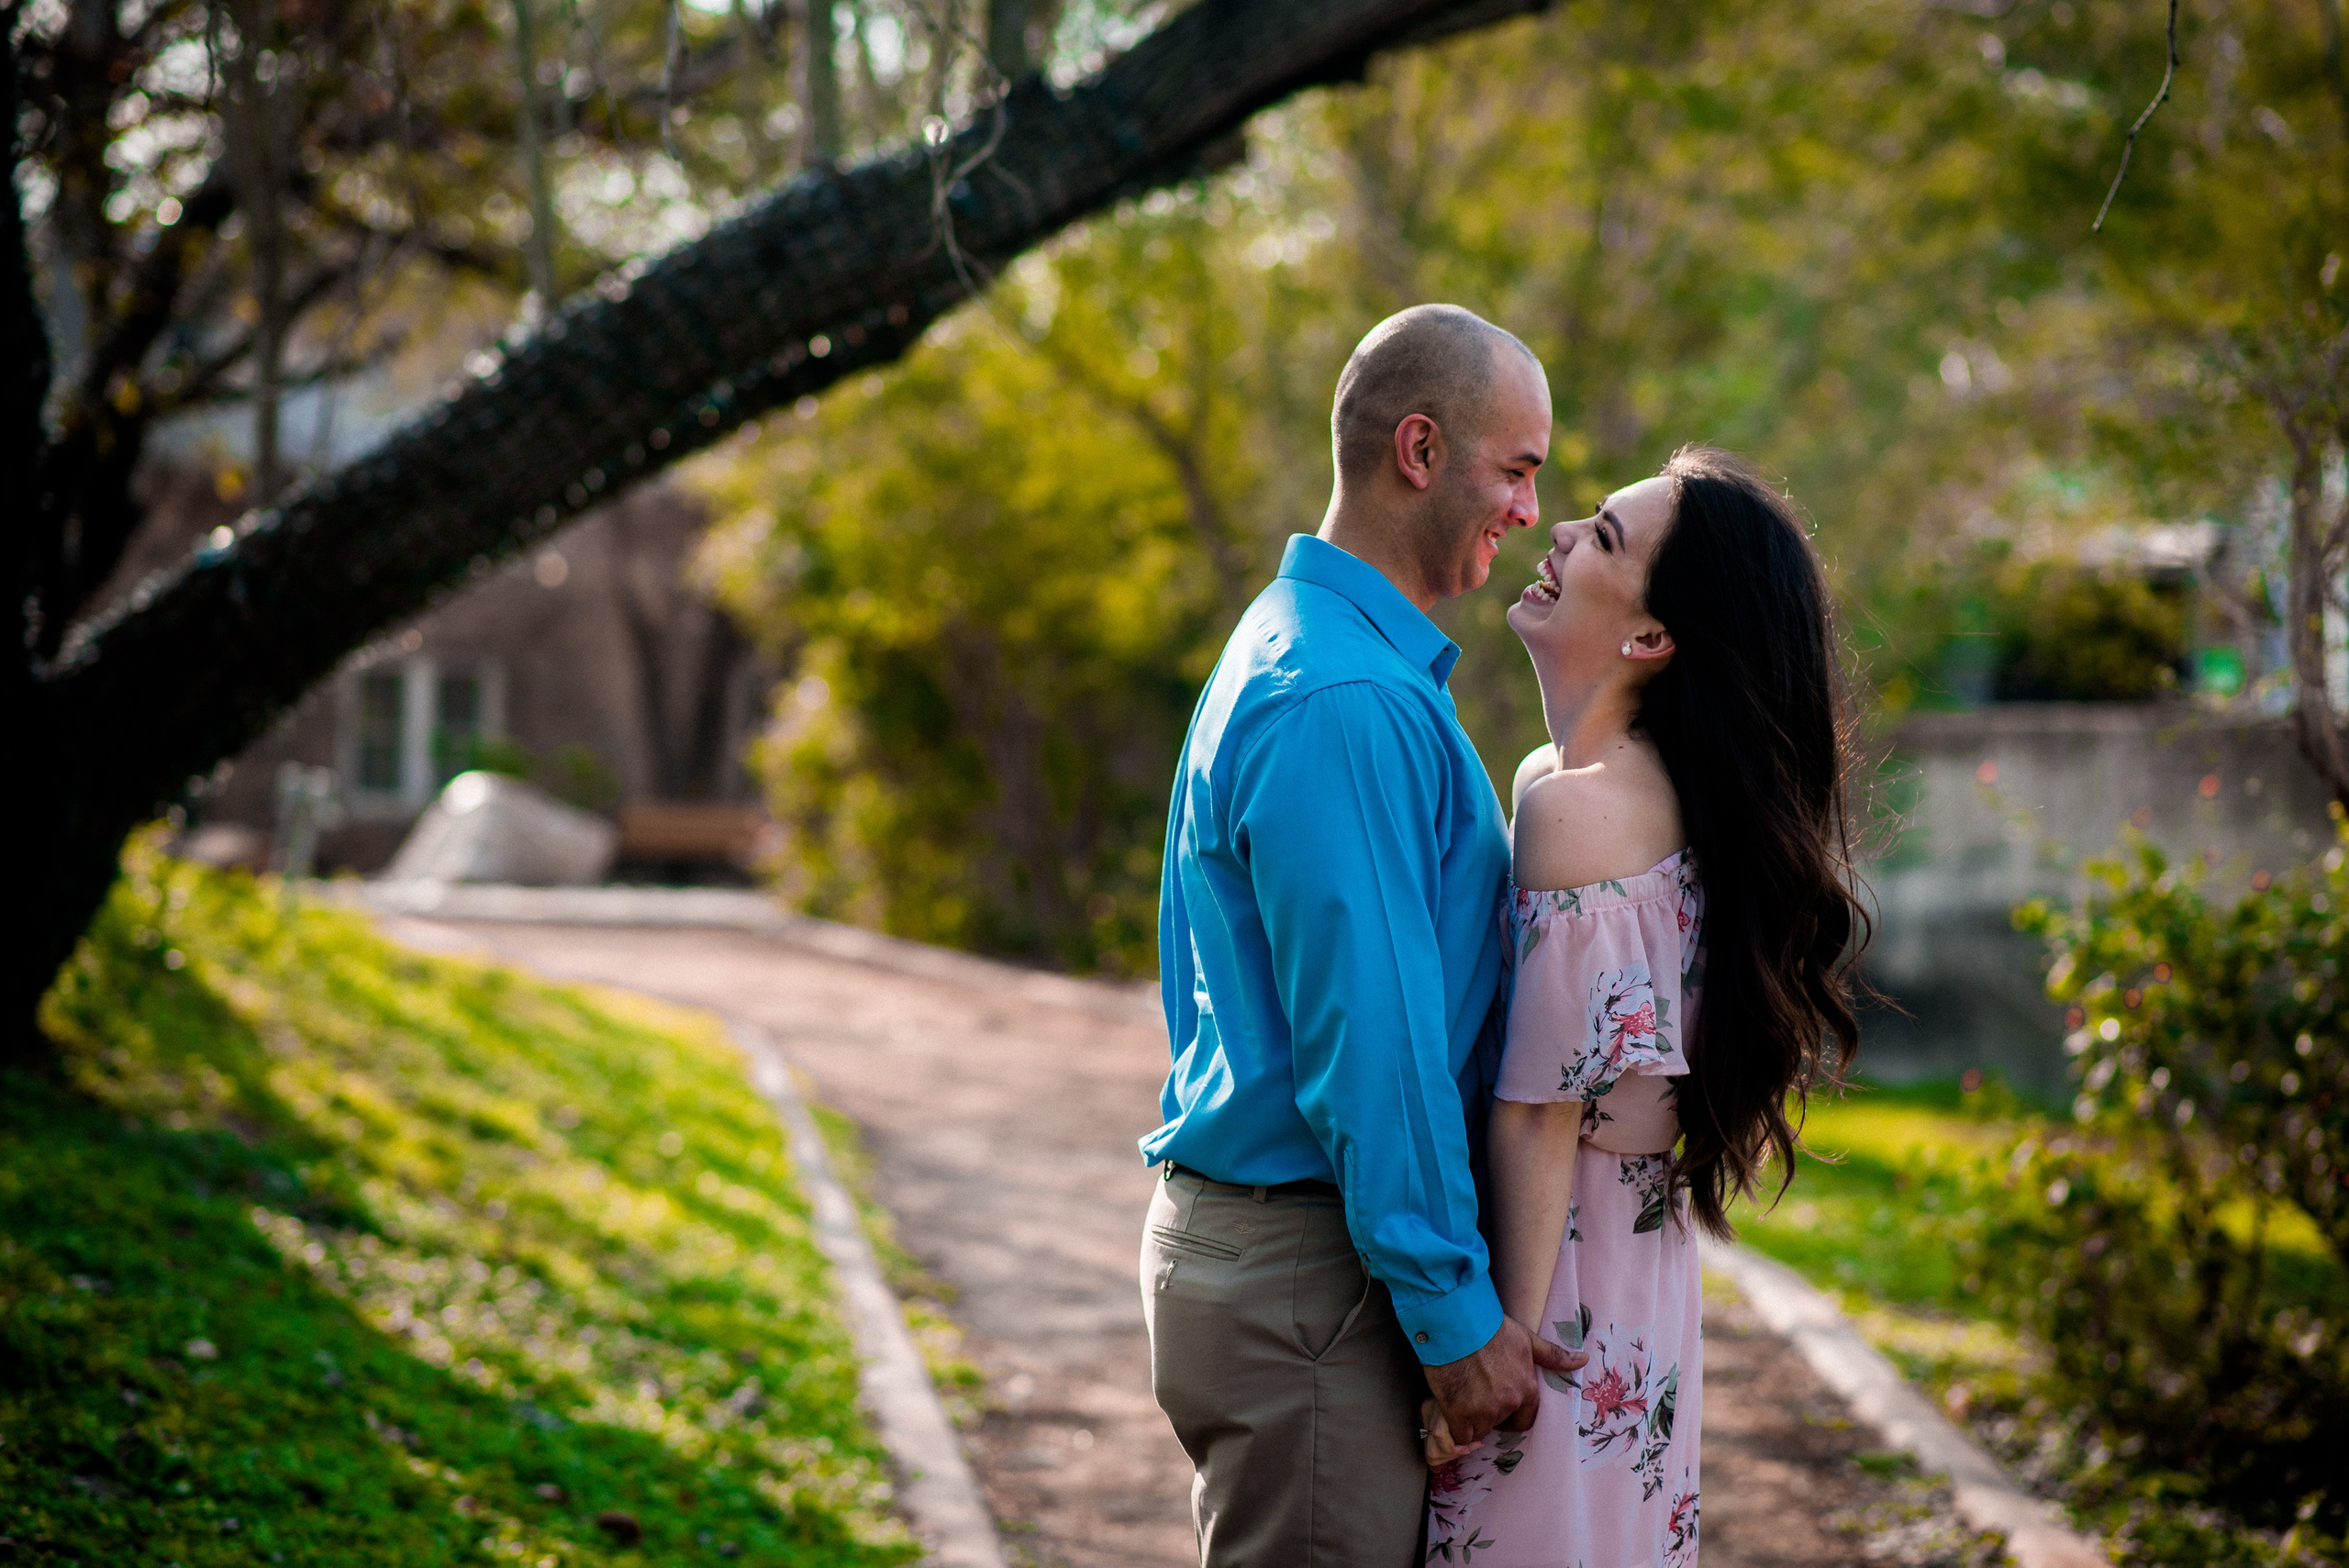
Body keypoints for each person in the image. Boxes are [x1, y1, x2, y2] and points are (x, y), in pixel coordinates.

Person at [1138, 304, 1587, 1567]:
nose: (1527, 505)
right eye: (1517, 466)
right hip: (1310, 1281)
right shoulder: (1339, 694)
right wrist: (1455, 1318)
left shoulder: (1321, 655)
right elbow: (1370, 1047)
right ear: (1419, 449)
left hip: (1297, 1267)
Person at [1420, 446, 1869, 1567]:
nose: (1557, 535)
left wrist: (1491, 1361)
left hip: (1559, 1311)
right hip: (1637, 1304)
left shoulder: (1580, 813)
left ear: (1650, 638)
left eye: (1603, 537)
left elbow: (1539, 1110)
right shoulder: (1617, 793)